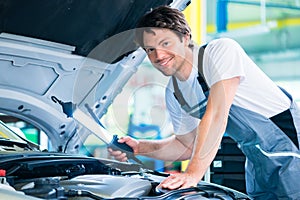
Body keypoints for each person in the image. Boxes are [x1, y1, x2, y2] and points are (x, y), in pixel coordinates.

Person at [108, 5, 300, 199]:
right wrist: (140, 147)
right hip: (258, 160)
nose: (158, 56)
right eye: (150, 49)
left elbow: (217, 115)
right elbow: (186, 146)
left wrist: (192, 174)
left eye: (165, 43)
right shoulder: (175, 93)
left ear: (185, 37)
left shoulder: (220, 52)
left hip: (291, 145)